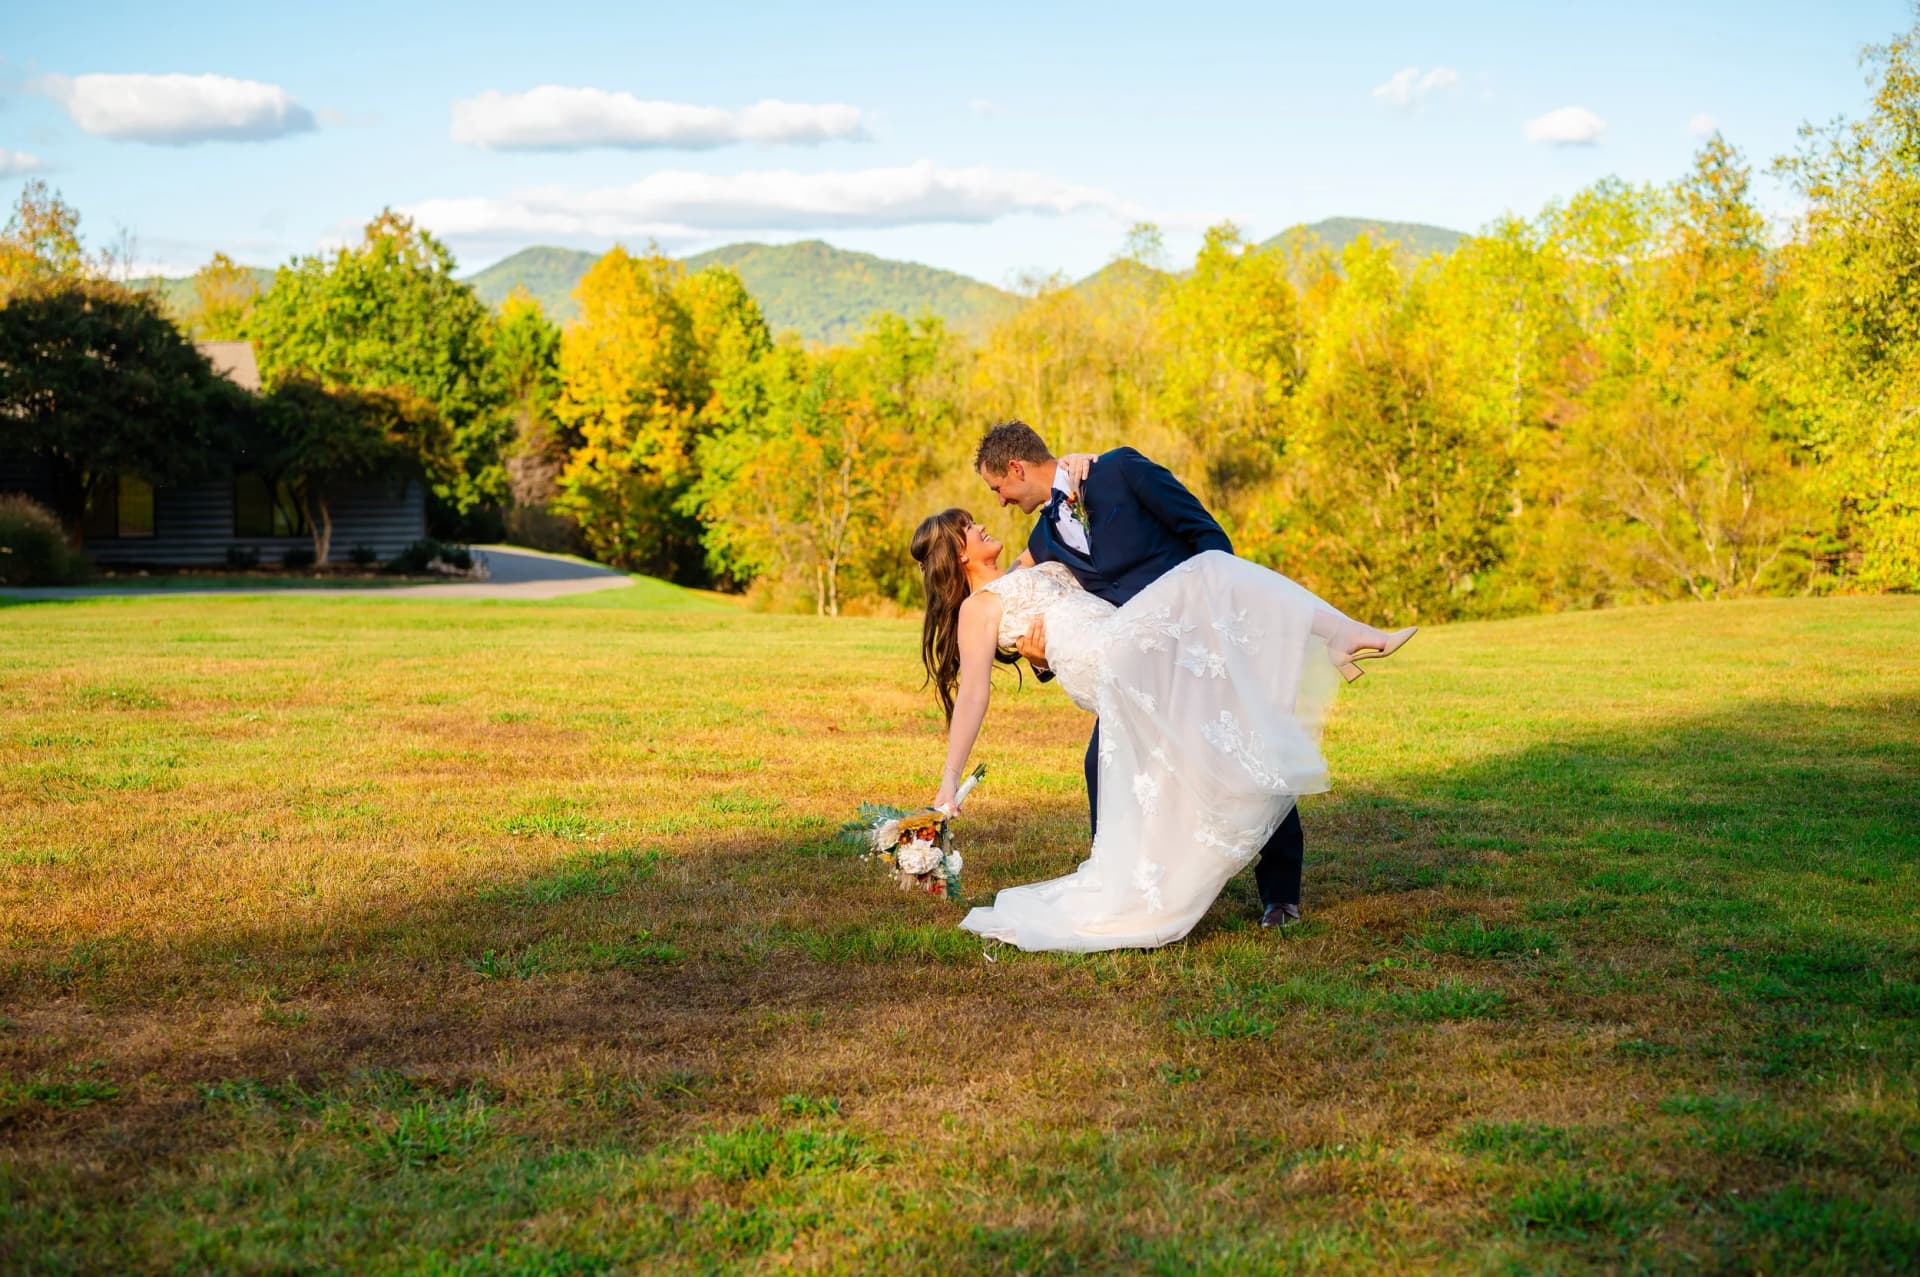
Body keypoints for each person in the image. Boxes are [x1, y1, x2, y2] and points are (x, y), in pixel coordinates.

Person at [910, 466, 1413, 954]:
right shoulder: (977, 609)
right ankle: (1338, 635)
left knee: (1221, 734)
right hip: (1110, 657)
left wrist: (1081, 461)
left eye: (989, 499)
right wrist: (948, 781)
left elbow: (1063, 509)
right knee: (1210, 571)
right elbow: (975, 693)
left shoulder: (1030, 559)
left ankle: (1212, 878)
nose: (984, 519)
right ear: (956, 554)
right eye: (968, 527)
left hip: (1125, 648)